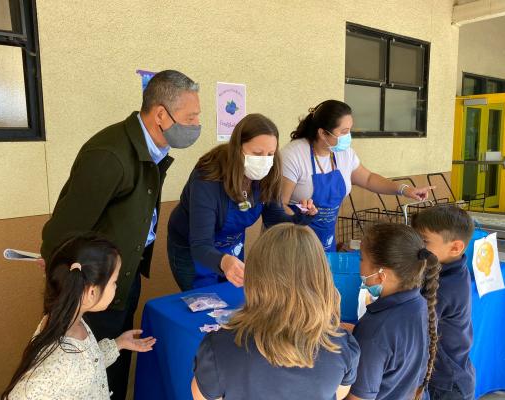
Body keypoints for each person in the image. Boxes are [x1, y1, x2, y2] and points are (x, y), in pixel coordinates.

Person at [39, 70, 201, 399]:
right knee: (92, 371)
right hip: (92, 287)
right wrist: (80, 289)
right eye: (192, 116)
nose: (197, 124)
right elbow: (63, 231)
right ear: (161, 114)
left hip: (120, 278)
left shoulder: (149, 150)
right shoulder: (111, 155)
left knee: (116, 357)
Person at [192, 223, 360, 399]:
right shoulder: (340, 345)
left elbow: (201, 396)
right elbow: (339, 395)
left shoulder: (219, 347)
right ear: (321, 278)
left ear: (255, 278)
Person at [167, 113, 317, 291]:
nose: (265, 160)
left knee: (233, 298)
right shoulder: (207, 177)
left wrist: (301, 217)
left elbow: (273, 218)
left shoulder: (269, 172)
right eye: (257, 153)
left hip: (231, 247)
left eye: (270, 153)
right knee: (203, 302)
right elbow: (200, 244)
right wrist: (224, 261)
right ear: (238, 148)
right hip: (193, 249)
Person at [2, 234, 156, 400]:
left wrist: (119, 344)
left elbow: (88, 365)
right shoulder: (60, 363)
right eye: (114, 282)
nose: (116, 287)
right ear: (91, 292)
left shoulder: (70, 320)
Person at [281, 100, 434, 252]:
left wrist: (404, 190)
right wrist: (301, 221)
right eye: (343, 131)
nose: (348, 136)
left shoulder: (344, 154)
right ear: (322, 133)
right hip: (292, 243)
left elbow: (368, 179)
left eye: (350, 130)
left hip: (325, 241)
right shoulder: (293, 155)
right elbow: (278, 204)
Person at [345, 223, 440, 400]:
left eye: (361, 259)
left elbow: (358, 398)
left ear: (382, 274)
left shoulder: (375, 330)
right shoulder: (419, 303)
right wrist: (353, 332)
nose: (359, 265)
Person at [412, 206, 476, 400]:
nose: (416, 247)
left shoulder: (446, 288)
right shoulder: (448, 268)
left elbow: (414, 331)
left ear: (455, 247)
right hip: (448, 375)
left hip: (446, 384)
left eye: (423, 241)